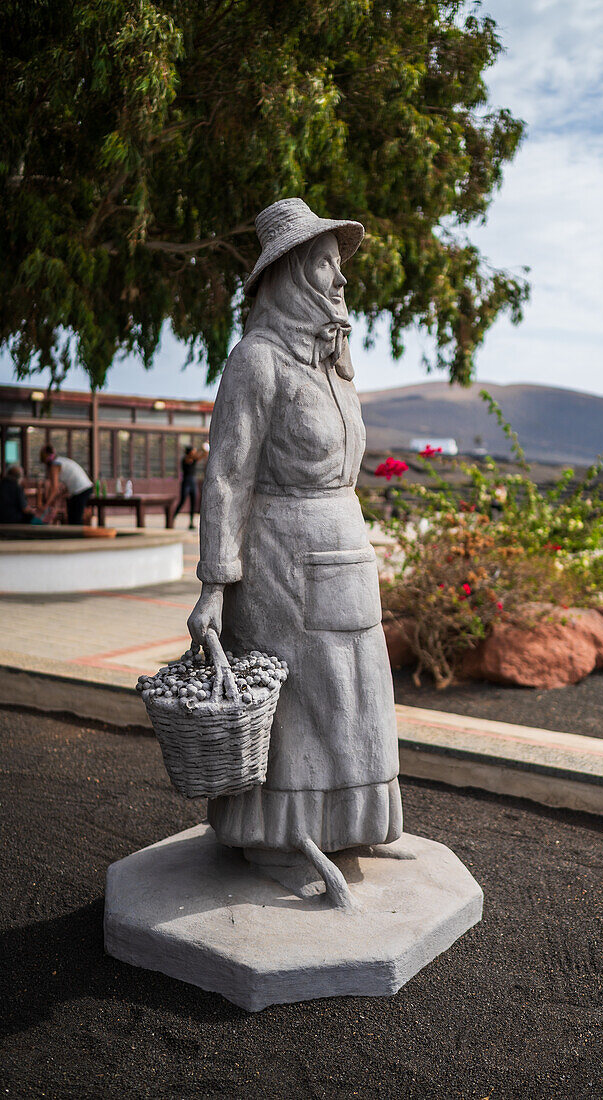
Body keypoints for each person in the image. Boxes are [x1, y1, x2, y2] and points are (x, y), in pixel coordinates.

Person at [187, 198, 402, 907]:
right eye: (325, 268)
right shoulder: (256, 359)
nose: (340, 283)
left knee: (354, 694)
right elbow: (225, 475)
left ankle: (344, 826)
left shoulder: (335, 364)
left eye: (340, 270)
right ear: (289, 275)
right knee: (301, 704)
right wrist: (216, 584)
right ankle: (284, 838)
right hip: (281, 561)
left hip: (343, 550)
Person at [39, 444, 93, 524]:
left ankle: (77, 535)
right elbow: (63, 486)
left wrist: (45, 506)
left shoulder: (55, 465)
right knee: (72, 516)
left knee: (75, 518)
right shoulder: (61, 460)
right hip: (84, 488)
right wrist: (59, 498)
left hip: (81, 489)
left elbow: (54, 488)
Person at [173, 445, 204, 529]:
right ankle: (172, 518)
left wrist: (205, 449)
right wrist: (201, 448)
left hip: (193, 482)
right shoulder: (185, 459)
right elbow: (192, 457)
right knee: (182, 501)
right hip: (186, 482)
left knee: (193, 503)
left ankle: (191, 522)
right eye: (193, 451)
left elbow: (201, 456)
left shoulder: (194, 459)